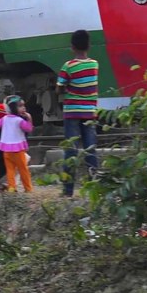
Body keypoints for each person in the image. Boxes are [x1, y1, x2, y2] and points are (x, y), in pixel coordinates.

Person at [58, 29, 100, 197]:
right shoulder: (94, 64)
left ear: (72, 47)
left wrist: (66, 85)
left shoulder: (68, 66)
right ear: (89, 45)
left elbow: (59, 89)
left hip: (72, 113)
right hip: (90, 113)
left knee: (71, 151)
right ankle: (94, 187)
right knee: (90, 149)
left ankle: (68, 191)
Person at [0, 95, 34, 193]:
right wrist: (29, 118)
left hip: (6, 150)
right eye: (20, 106)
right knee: (23, 169)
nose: (23, 108)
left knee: (10, 170)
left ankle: (12, 187)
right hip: (18, 150)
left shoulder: (4, 119)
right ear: (13, 108)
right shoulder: (19, 120)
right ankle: (28, 188)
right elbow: (29, 128)